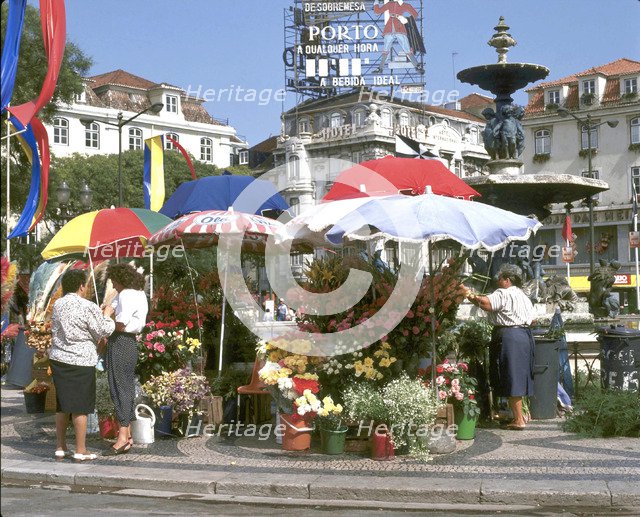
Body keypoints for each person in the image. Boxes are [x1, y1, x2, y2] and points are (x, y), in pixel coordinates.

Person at [49, 269, 115, 461]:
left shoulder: (58, 304)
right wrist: (107, 314)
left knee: (62, 404)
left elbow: (55, 329)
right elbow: (103, 329)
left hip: (59, 357)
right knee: (80, 405)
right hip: (81, 359)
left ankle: (60, 447)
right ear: (81, 285)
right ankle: (80, 450)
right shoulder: (88, 306)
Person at [462, 264, 534, 430]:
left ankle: (518, 420)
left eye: (500, 279)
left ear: (507, 280)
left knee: (511, 375)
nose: (497, 282)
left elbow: (486, 304)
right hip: (525, 335)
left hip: (509, 336)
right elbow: (533, 319)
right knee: (519, 375)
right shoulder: (523, 296)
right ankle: (518, 414)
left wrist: (468, 294)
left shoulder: (503, 292)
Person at [103, 263, 148, 456]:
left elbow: (120, 324)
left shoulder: (126, 295)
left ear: (120, 279)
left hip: (120, 341)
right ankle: (127, 434)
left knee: (118, 388)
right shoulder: (139, 294)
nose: (112, 284)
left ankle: (122, 436)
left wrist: (105, 319)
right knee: (125, 386)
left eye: (113, 280)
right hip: (129, 343)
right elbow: (112, 308)